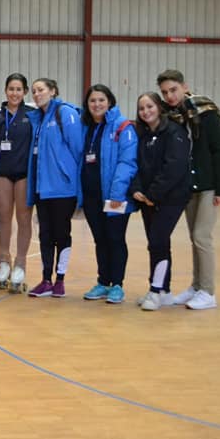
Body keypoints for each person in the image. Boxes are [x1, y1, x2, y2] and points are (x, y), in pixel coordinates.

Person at [158, 69, 220, 310]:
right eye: (165, 92)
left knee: (202, 236)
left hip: (210, 185)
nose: (170, 96)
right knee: (194, 237)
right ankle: (196, 286)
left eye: (173, 90)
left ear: (185, 87)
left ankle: (208, 292)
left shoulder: (206, 112)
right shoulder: (173, 117)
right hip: (189, 186)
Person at [130, 92, 192, 312]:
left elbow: (174, 167)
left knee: (158, 240)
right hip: (148, 199)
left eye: (150, 106)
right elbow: (137, 165)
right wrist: (137, 189)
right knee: (156, 243)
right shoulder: (143, 134)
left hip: (171, 198)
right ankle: (163, 290)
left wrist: (153, 194)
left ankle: (156, 291)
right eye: (141, 108)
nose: (145, 111)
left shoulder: (174, 132)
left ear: (159, 107)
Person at [79, 84, 138, 305]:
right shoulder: (85, 127)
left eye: (101, 100)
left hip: (115, 196)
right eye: (92, 101)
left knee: (115, 238)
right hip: (91, 195)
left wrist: (116, 194)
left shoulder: (122, 127)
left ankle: (117, 285)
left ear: (110, 102)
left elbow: (127, 162)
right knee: (100, 239)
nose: (97, 104)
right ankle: (103, 282)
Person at [26, 78, 82, 298]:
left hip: (63, 188)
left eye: (41, 90)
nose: (37, 94)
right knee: (45, 235)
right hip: (43, 189)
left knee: (61, 233)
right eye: (34, 91)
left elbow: (77, 149)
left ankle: (60, 279)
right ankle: (46, 279)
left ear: (53, 91)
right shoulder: (38, 119)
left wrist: (69, 176)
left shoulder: (65, 113)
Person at [0, 73, 33, 293]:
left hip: (24, 174)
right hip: (2, 173)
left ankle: (20, 265)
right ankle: (4, 261)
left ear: (25, 92)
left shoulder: (32, 115)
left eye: (18, 89)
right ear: (5, 91)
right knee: (4, 217)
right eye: (11, 89)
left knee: (24, 218)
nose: (14, 93)